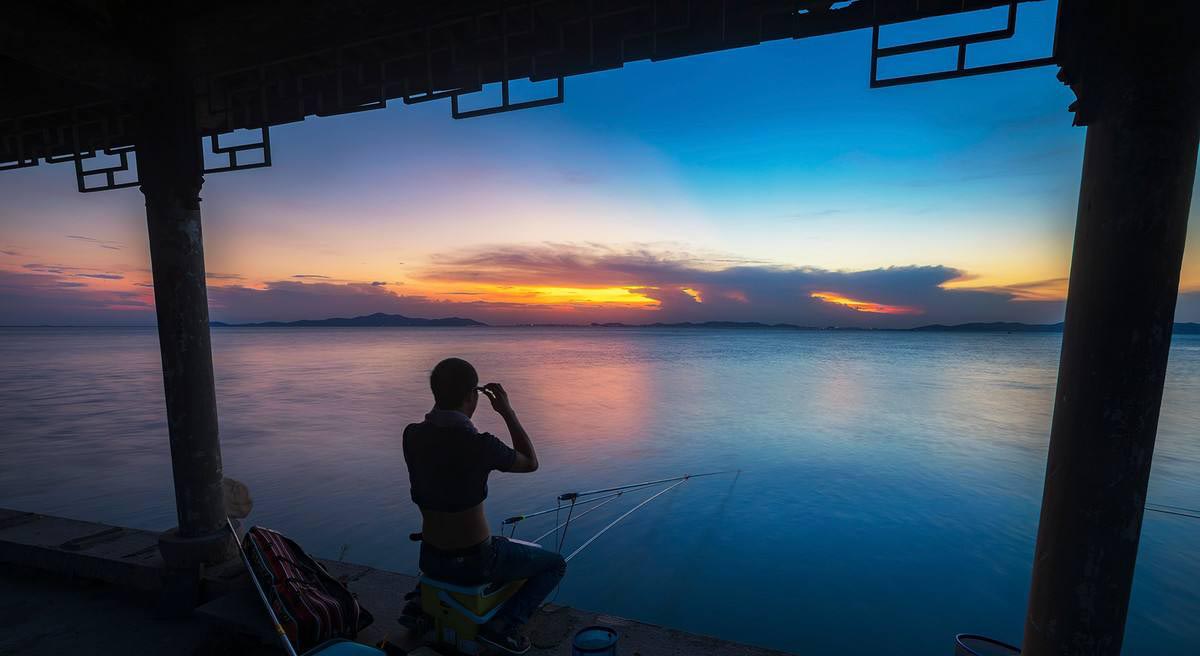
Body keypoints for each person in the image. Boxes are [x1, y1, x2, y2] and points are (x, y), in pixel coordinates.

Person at [402, 357, 566, 654]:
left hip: (430, 558)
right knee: (554, 565)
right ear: (471, 396)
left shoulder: (411, 435)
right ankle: (504, 627)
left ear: (435, 393)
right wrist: (507, 411)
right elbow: (530, 462)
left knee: (493, 542)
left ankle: (419, 606)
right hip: (477, 561)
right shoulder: (480, 445)